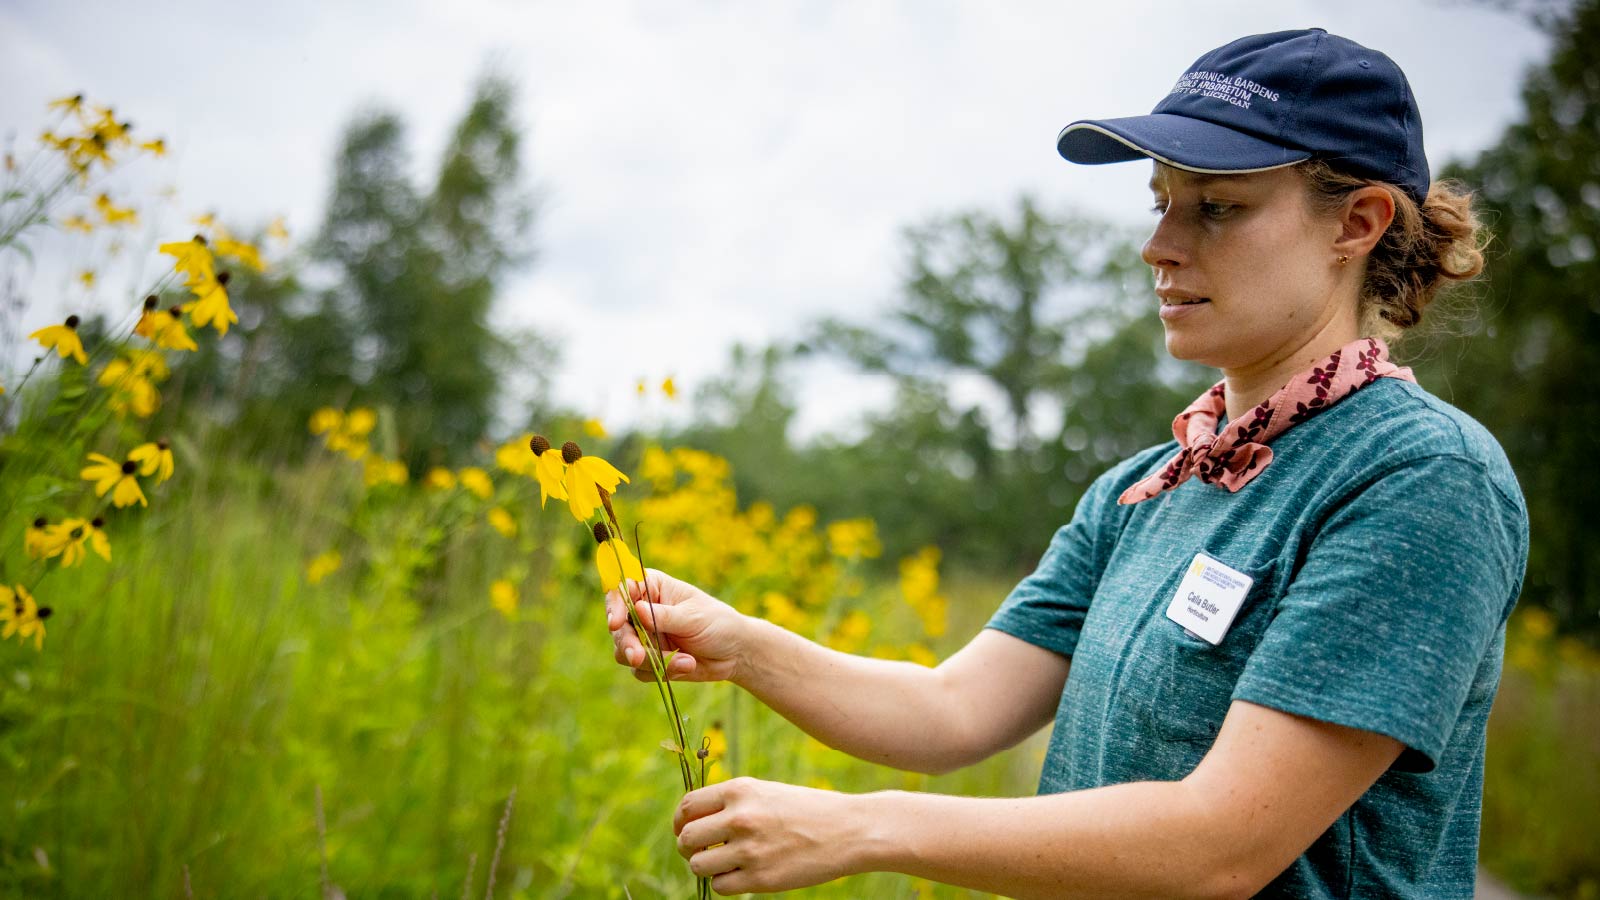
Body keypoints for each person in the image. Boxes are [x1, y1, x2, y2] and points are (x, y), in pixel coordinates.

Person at [605, 28, 1527, 898]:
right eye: (1161, 201)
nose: (1160, 245)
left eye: (1218, 207)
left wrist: (868, 827)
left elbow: (1224, 843)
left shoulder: (1420, 480)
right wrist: (742, 648)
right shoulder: (1147, 488)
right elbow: (952, 711)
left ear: (1356, 224)